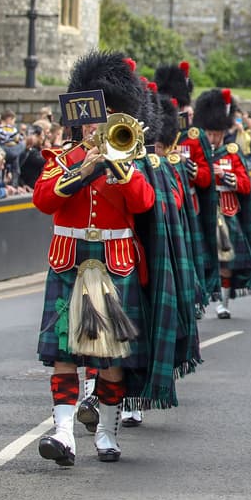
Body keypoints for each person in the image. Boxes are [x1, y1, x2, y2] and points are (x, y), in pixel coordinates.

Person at [32, 51, 161, 466]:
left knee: (110, 359)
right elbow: (43, 200)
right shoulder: (61, 160)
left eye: (101, 120)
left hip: (114, 260)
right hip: (70, 259)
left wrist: (118, 166)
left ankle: (106, 429)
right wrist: (82, 169)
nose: (93, 127)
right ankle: (64, 432)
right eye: (88, 120)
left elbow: (143, 202)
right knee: (63, 353)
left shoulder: (129, 160)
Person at [192, 88, 251, 318]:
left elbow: (245, 185)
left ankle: (224, 304)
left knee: (226, 261)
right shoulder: (195, 151)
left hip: (226, 210)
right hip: (202, 212)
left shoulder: (231, 152)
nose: (212, 139)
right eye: (209, 134)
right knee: (199, 258)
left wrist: (227, 177)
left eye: (216, 134)